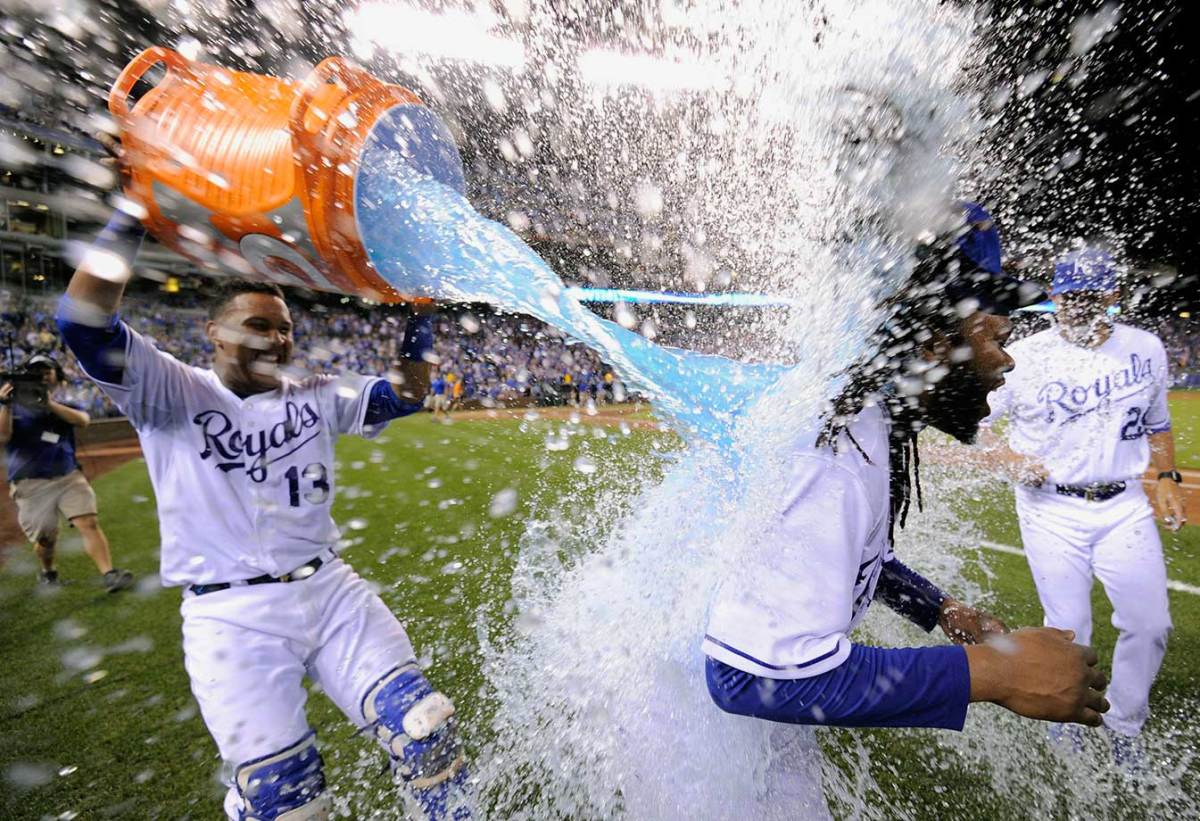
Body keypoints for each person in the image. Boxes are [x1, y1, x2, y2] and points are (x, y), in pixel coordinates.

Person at [58, 208, 472, 821]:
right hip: (230, 615)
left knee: (425, 729)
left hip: (330, 592)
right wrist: (133, 213)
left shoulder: (314, 392)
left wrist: (419, 313)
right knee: (287, 801)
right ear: (214, 333)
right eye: (258, 325)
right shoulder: (169, 389)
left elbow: (408, 393)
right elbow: (82, 320)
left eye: (284, 329)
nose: (276, 340)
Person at [703, 204, 1110, 814]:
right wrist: (992, 674)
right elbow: (749, 678)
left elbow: (848, 555)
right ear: (934, 339)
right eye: (996, 338)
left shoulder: (863, 418)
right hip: (707, 737)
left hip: (749, 709)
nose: (1007, 360)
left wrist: (940, 608)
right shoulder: (837, 457)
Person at [980, 248, 1182, 762]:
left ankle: (1125, 725)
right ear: (1054, 297)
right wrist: (1009, 457)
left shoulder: (1146, 348)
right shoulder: (1023, 355)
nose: (1081, 307)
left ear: (1113, 297)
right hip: (1050, 508)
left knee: (1150, 623)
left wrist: (1166, 475)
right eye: (1071, 298)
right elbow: (977, 424)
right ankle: (1065, 720)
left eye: (1092, 297)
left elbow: (1158, 423)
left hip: (1124, 504)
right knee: (1069, 626)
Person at [0, 353, 131, 592]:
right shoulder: (13, 407)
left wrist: (48, 403)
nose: (41, 375)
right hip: (30, 483)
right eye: (36, 371)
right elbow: (2, 436)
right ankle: (48, 572)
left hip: (68, 476)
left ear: (57, 377)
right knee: (46, 539)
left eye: (46, 371)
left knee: (88, 522)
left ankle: (109, 574)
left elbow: (82, 421)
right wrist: (6, 405)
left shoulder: (62, 404)